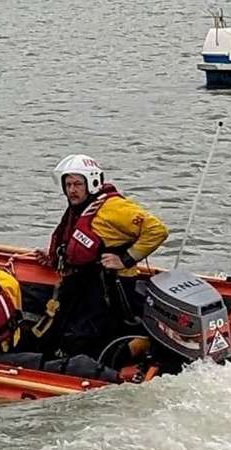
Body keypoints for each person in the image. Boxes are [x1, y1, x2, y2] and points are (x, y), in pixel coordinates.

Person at [39, 154, 169, 360]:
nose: (72, 190)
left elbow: (157, 230)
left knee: (87, 336)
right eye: (68, 184)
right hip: (83, 281)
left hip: (109, 285)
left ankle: (128, 353)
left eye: (78, 184)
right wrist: (54, 258)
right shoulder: (81, 207)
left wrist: (125, 258)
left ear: (91, 183)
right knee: (61, 328)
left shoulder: (114, 208)